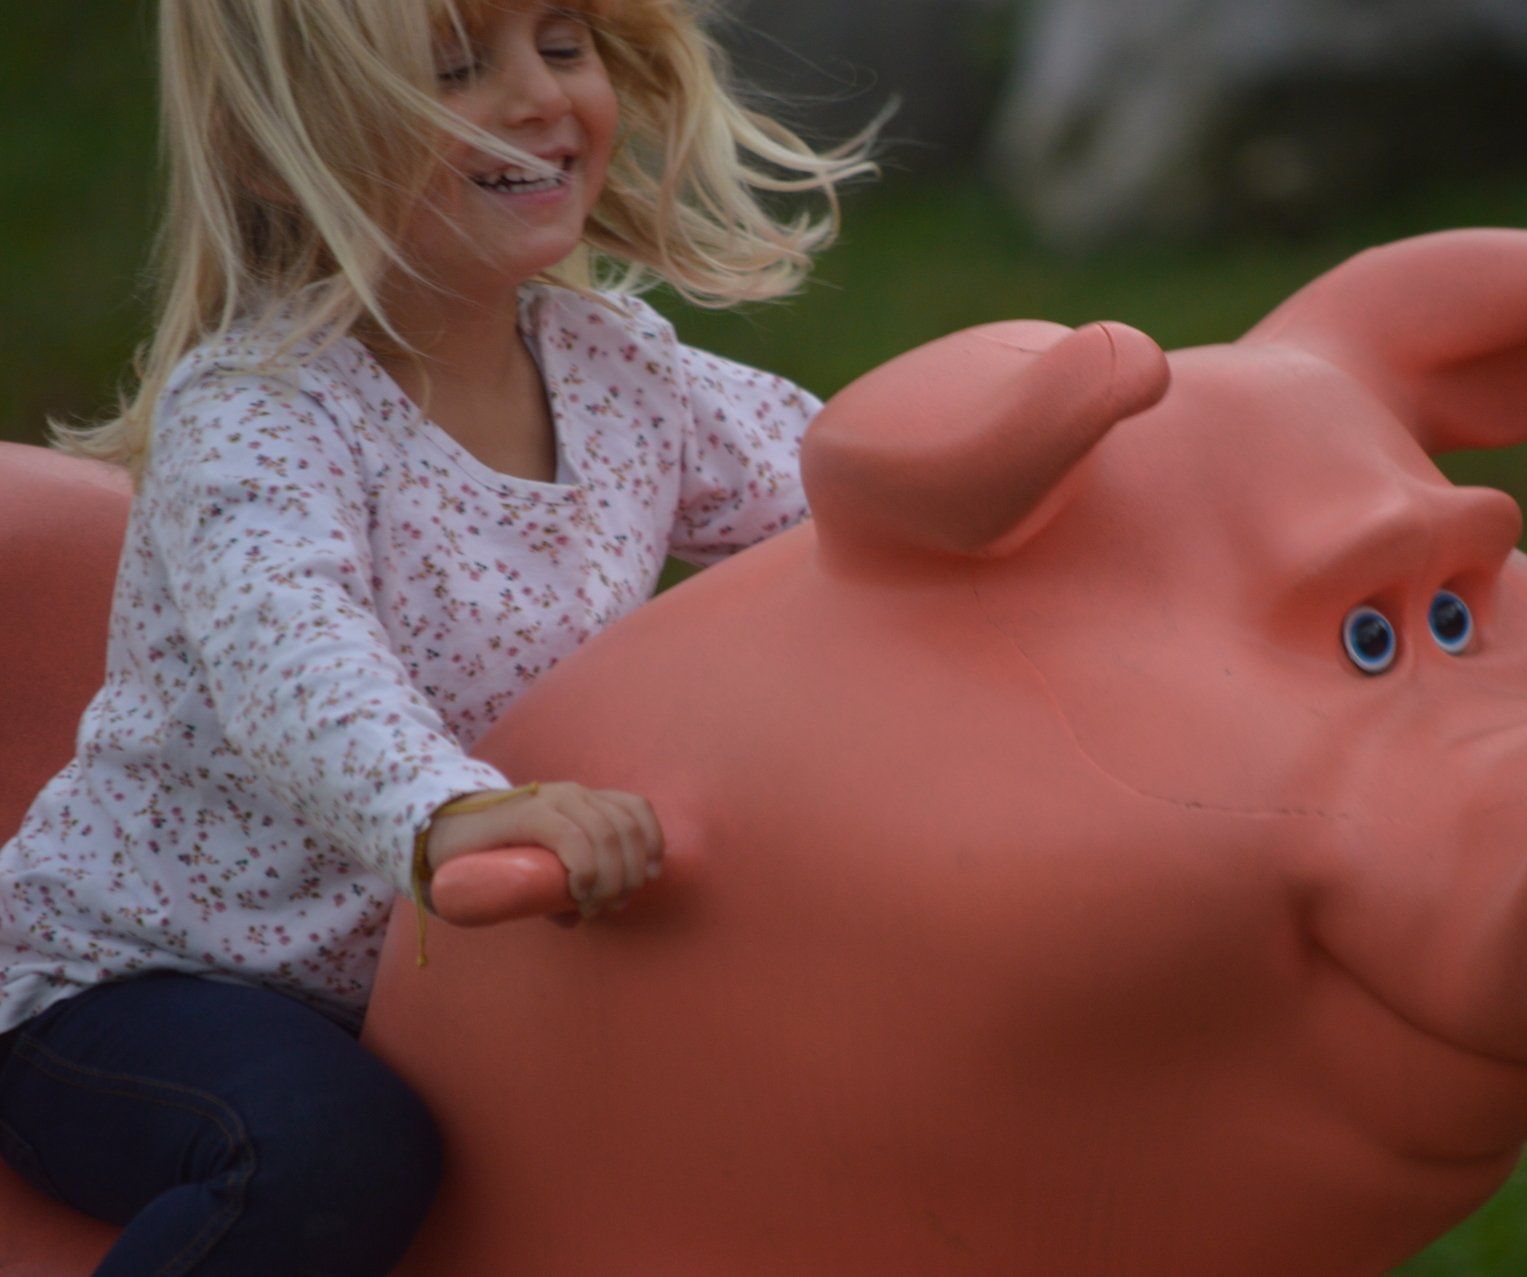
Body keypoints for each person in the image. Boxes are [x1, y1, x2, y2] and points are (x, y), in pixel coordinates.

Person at [0, 0, 873, 1271]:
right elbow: (294, 661)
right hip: (147, 977)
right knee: (328, 1147)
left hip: (450, 971)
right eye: (457, 68)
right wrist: (448, 810)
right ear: (280, 147)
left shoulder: (619, 369)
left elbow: (845, 487)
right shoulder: (259, 410)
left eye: (562, 46)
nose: (539, 97)